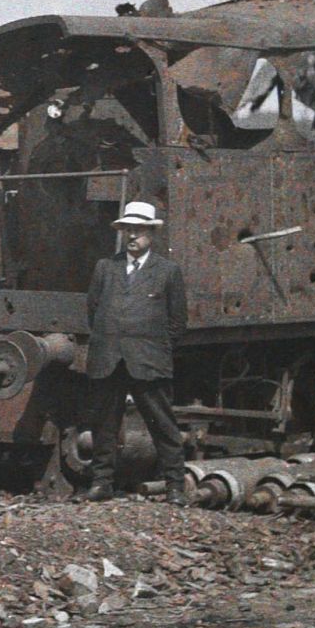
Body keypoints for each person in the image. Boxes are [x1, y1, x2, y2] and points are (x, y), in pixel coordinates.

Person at [83, 199, 188, 502]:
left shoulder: (167, 271)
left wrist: (153, 347)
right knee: (104, 424)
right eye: (128, 229)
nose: (132, 235)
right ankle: (102, 483)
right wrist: (111, 339)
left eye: (139, 230)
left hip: (148, 360)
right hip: (109, 359)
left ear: (151, 234)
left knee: (162, 424)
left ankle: (175, 486)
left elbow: (178, 322)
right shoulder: (106, 268)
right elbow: (93, 311)